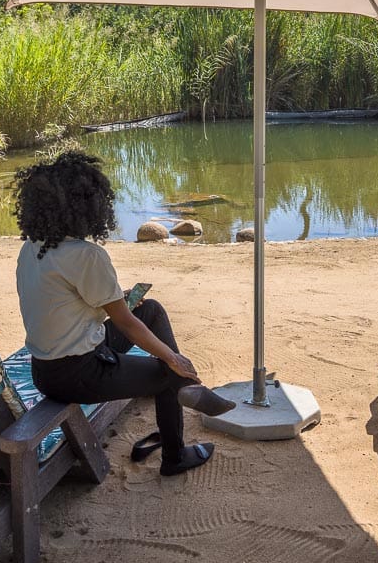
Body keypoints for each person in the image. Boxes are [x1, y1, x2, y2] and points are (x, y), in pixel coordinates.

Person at [13, 150, 235, 476]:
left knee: (151, 310)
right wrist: (173, 360)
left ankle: (179, 387)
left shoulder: (33, 247)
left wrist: (120, 298)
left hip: (44, 369)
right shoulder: (86, 255)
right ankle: (175, 451)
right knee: (168, 374)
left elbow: (64, 302)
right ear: (88, 205)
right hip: (80, 374)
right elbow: (126, 324)